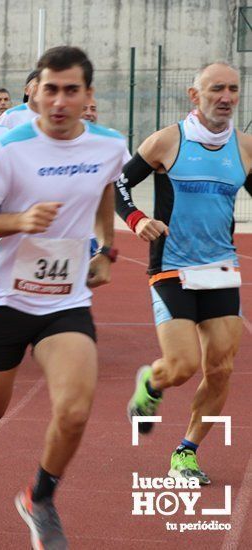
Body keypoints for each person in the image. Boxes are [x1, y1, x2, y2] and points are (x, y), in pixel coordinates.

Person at [0, 46, 127, 549]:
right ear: (34, 92)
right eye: (50, 89)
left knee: (75, 410)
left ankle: (39, 497)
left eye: (71, 90)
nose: (59, 101)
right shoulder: (9, 149)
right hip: (3, 300)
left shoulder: (109, 145)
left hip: (64, 301)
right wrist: (19, 220)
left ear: (87, 96)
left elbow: (106, 190)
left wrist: (106, 248)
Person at [118, 61, 248, 485]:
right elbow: (117, 185)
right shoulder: (168, 140)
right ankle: (152, 384)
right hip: (172, 266)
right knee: (181, 365)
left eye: (233, 89)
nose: (226, 97)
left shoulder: (244, 148)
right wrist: (137, 219)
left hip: (221, 268)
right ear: (195, 95)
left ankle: (186, 451)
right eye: (216, 90)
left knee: (222, 368)